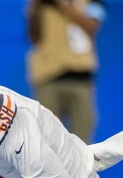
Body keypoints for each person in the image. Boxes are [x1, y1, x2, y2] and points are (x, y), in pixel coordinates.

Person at [26, 0, 105, 144]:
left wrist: (65, 5)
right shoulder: (43, 4)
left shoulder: (92, 2)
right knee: (46, 140)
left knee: (82, 143)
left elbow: (93, 25)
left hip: (81, 79)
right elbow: (33, 35)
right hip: (48, 78)